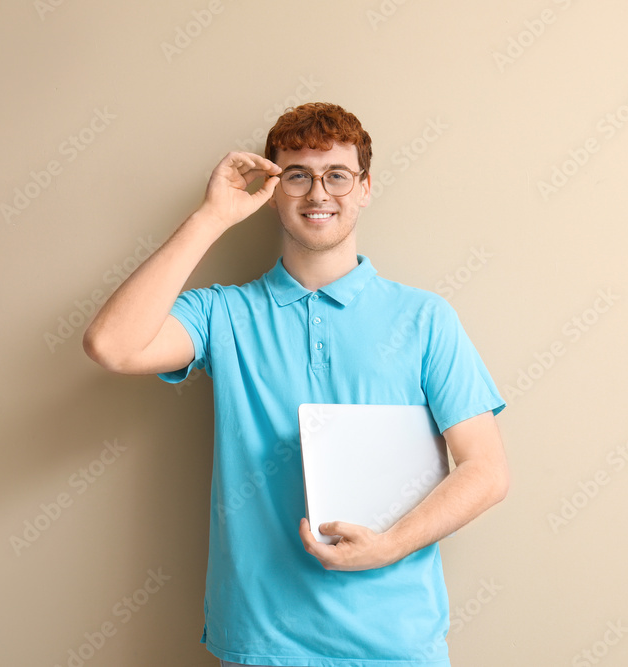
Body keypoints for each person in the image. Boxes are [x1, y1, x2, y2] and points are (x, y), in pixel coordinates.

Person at [82, 102, 509, 667]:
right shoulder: (224, 313)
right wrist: (212, 216)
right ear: (273, 188)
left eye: (336, 175)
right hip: (261, 644)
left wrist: (391, 546)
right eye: (298, 176)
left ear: (364, 187)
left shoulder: (425, 318)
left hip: (396, 643)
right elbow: (112, 345)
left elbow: (486, 470)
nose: (318, 194)